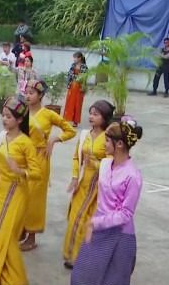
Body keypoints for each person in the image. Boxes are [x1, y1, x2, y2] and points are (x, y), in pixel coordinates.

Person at [70, 118, 143, 285]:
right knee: (81, 276)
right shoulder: (104, 163)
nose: (103, 142)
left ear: (119, 145)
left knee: (113, 280)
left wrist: (95, 222)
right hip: (98, 229)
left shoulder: (133, 176)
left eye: (107, 140)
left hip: (120, 235)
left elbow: (126, 214)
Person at [0, 96, 41, 285]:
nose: (4, 119)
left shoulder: (26, 143)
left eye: (9, 117)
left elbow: (37, 172)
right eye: (3, 116)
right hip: (0, 192)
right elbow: (1, 160)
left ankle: (16, 280)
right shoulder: (2, 137)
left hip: (17, 193)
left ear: (20, 120)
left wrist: (20, 171)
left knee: (6, 237)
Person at [21, 79, 76, 251]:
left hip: (39, 159)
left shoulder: (48, 114)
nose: (28, 95)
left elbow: (70, 130)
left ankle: (32, 235)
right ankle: (21, 229)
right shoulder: (21, 112)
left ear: (41, 95)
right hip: (22, 158)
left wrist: (55, 138)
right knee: (20, 194)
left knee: (35, 198)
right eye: (27, 92)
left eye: (32, 93)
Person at [62, 100, 113, 269]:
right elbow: (77, 157)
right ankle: (71, 255)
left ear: (104, 118)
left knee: (89, 221)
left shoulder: (108, 137)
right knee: (74, 218)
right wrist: (75, 177)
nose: (91, 117)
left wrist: (97, 164)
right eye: (90, 113)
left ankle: (83, 257)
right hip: (83, 183)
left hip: (99, 187)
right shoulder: (84, 135)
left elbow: (112, 163)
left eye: (96, 114)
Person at [63, 52, 89, 126]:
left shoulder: (84, 66)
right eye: (74, 57)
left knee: (77, 104)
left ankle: (75, 121)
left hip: (79, 88)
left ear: (80, 58)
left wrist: (77, 78)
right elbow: (69, 74)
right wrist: (75, 77)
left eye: (75, 57)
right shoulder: (73, 65)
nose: (74, 59)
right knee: (69, 102)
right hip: (72, 86)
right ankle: (68, 118)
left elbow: (83, 77)